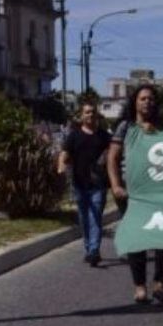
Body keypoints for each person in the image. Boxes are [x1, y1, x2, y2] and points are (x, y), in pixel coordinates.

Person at [107, 84, 163, 307]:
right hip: (131, 194)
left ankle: (159, 285)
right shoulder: (125, 127)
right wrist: (116, 185)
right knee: (138, 241)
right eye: (143, 98)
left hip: (159, 193)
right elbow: (112, 159)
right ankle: (140, 287)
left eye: (151, 98)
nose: (147, 102)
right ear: (135, 102)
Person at [57, 101, 110, 267]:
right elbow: (64, 154)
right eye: (87, 112)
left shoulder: (104, 136)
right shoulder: (74, 135)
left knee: (95, 217)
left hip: (98, 185)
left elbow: (114, 154)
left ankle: (94, 250)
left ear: (97, 115)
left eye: (93, 112)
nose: (90, 115)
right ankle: (88, 249)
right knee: (84, 219)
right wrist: (61, 167)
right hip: (79, 184)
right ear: (81, 116)